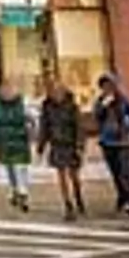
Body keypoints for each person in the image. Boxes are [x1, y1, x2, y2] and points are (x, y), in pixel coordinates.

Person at [36, 78, 87, 220]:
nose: (55, 94)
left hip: (70, 144)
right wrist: (41, 146)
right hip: (57, 145)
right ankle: (68, 204)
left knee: (74, 176)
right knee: (61, 176)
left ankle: (78, 197)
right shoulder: (47, 107)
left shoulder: (72, 107)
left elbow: (79, 128)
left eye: (58, 91)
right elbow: (44, 127)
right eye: (52, 91)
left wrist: (79, 146)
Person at [92, 71, 129, 217]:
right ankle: (122, 197)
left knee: (126, 172)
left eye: (109, 85)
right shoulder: (101, 101)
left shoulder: (123, 100)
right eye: (104, 85)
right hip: (108, 142)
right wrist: (104, 106)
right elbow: (97, 117)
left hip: (123, 142)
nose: (107, 88)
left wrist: (128, 127)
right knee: (116, 173)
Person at [0, 84, 33, 212]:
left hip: (15, 137)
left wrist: (30, 128)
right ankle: (16, 189)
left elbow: (31, 117)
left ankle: (21, 190)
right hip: (7, 138)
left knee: (19, 165)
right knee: (11, 165)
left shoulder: (22, 102)